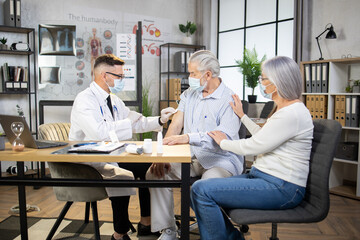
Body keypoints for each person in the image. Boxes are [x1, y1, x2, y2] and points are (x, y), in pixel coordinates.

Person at [190, 56, 314, 240]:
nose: (261, 83)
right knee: (198, 189)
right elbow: (263, 137)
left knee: (202, 190)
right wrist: (242, 116)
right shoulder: (285, 110)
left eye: (263, 79)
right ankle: (231, 237)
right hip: (266, 178)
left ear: (277, 82)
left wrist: (223, 143)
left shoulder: (292, 113)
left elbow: (254, 146)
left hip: (282, 187)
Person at [69, 54, 176, 240]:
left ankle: (146, 222)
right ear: (104, 75)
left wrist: (160, 119)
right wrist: (127, 122)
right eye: (118, 76)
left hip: (112, 154)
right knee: (120, 175)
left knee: (151, 167)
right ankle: (119, 234)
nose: (121, 80)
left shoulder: (114, 100)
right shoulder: (85, 100)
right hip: (88, 159)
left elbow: (135, 122)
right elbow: (99, 133)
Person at [145, 50, 244, 240]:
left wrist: (189, 137)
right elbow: (175, 125)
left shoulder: (229, 99)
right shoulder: (189, 94)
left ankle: (224, 234)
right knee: (154, 173)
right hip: (190, 158)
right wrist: (163, 156)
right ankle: (169, 230)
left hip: (220, 161)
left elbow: (221, 138)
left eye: (192, 74)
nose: (188, 78)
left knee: (204, 188)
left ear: (208, 74)